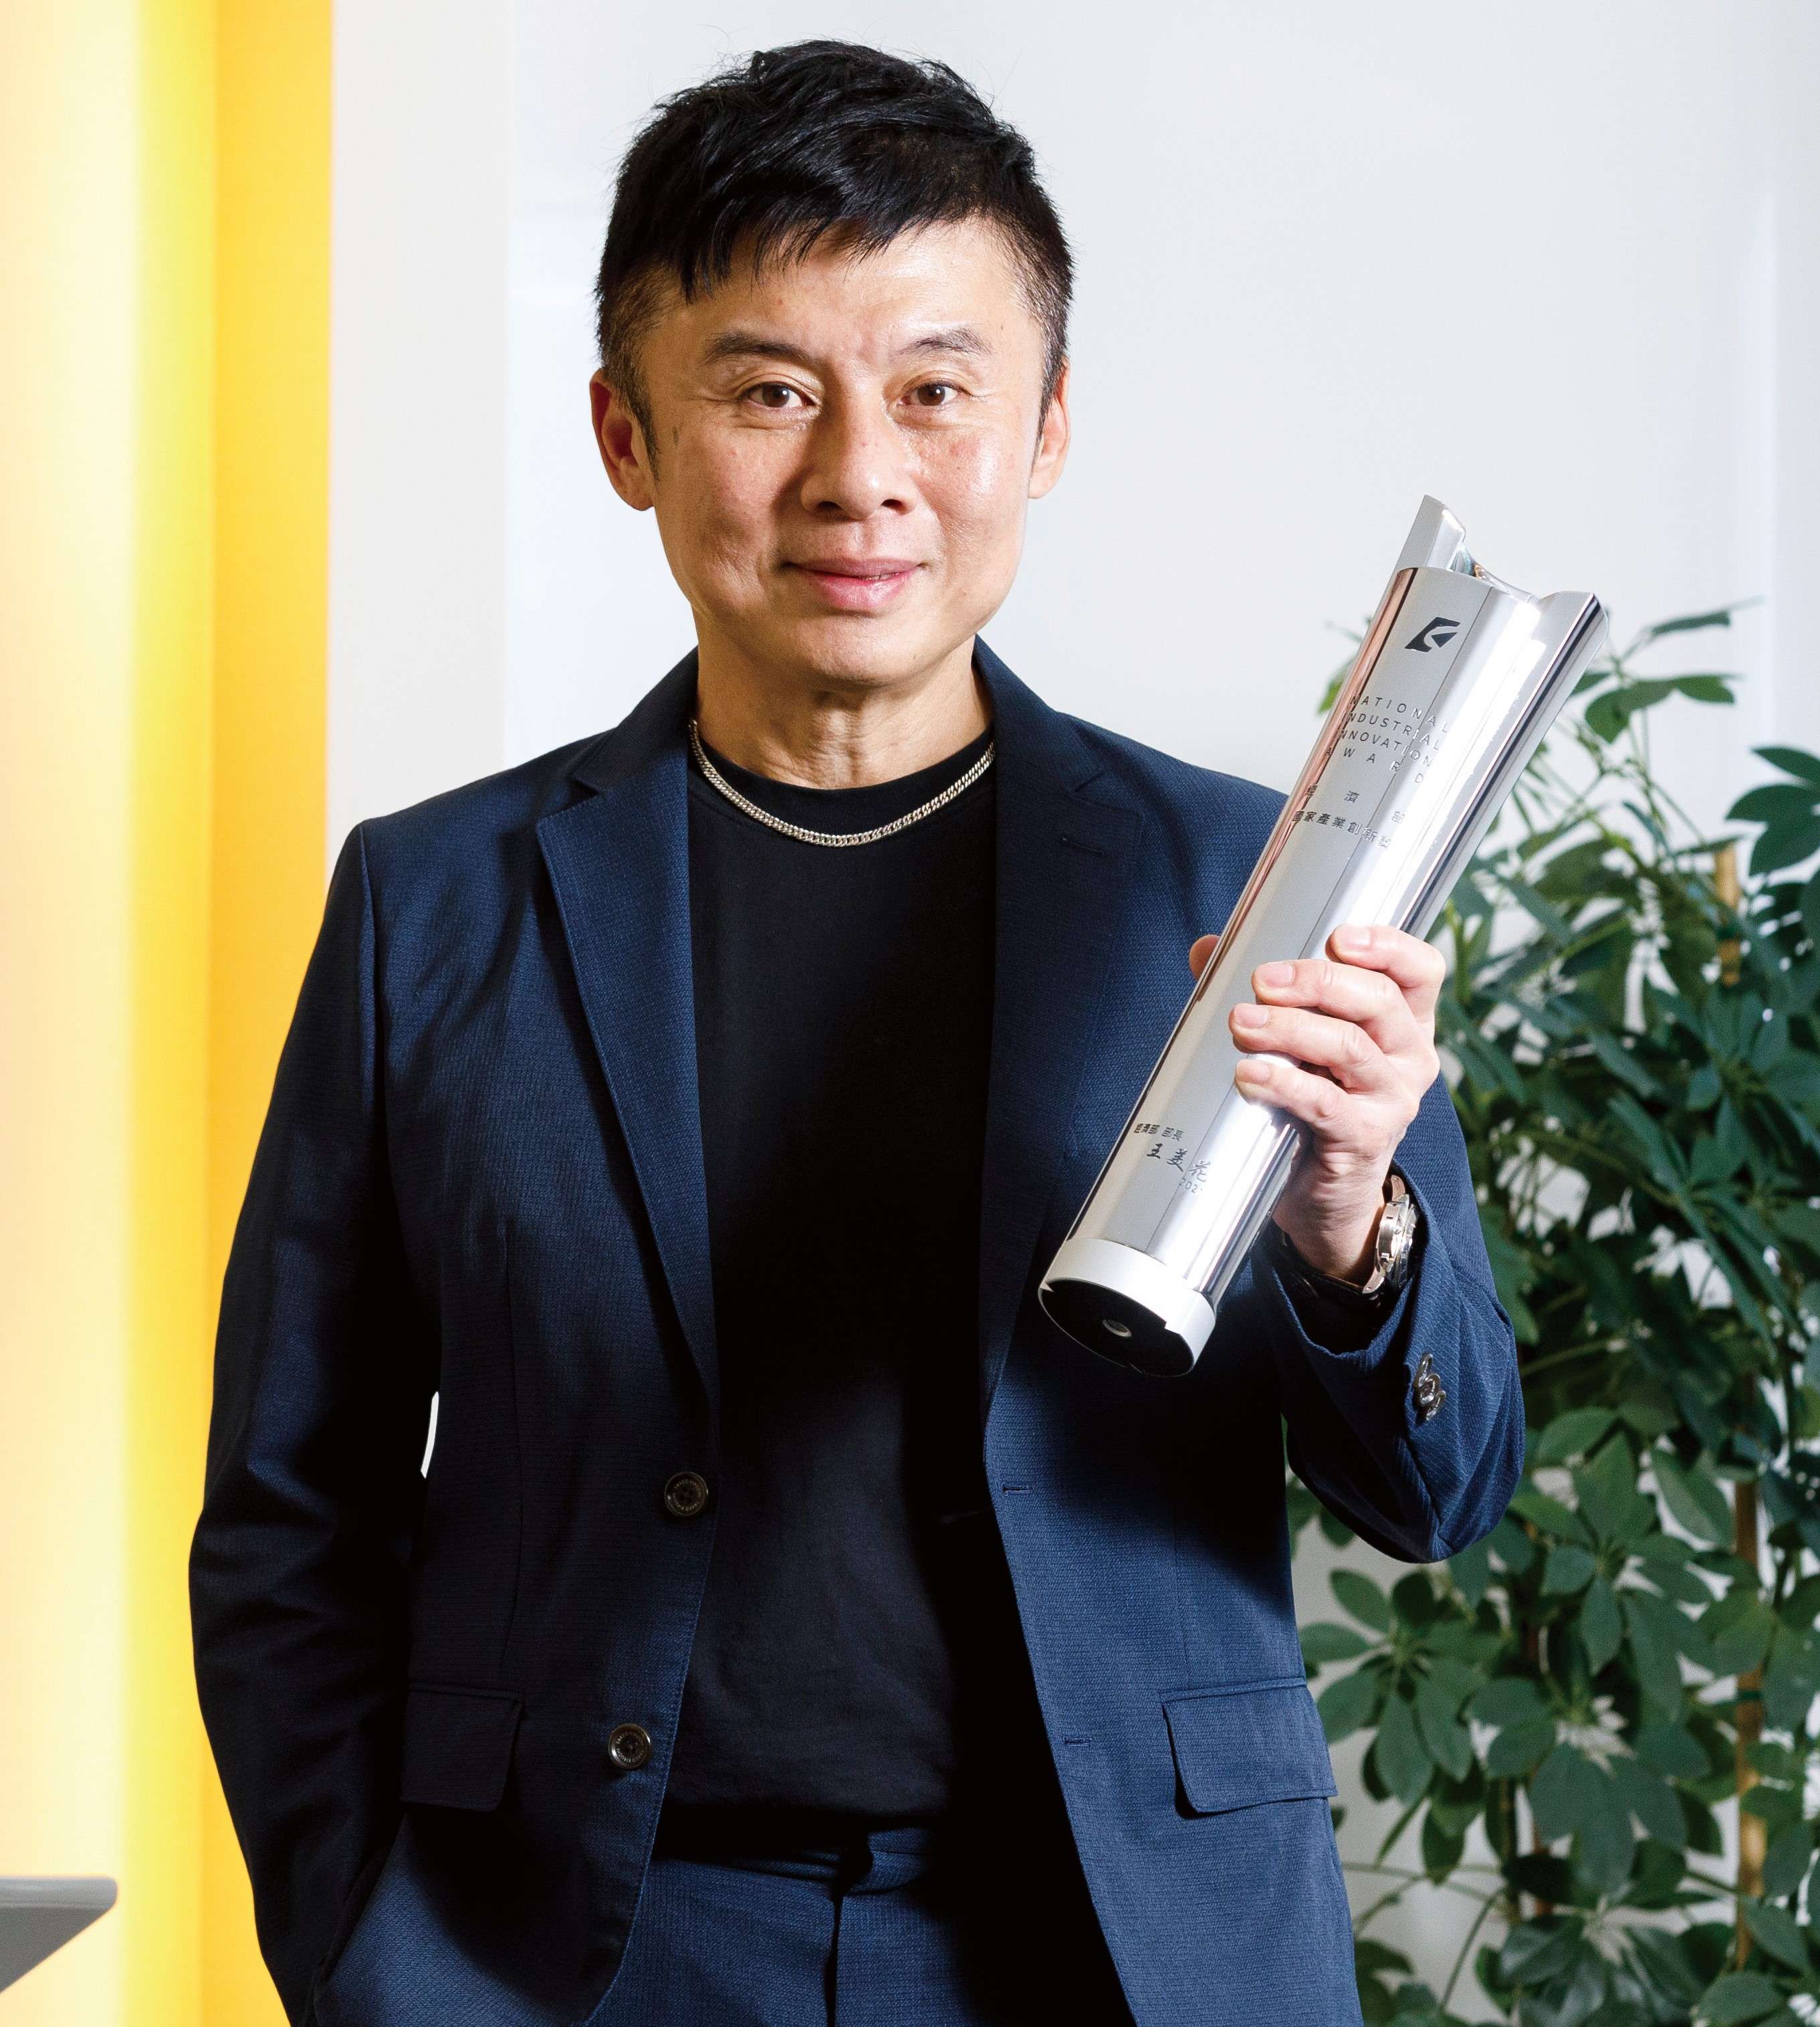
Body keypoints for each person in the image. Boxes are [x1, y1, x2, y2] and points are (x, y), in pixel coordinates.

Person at [189, 39, 1524, 2027]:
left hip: (1118, 1956)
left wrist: (1353, 1231)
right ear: (627, 434)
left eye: (936, 390)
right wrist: (375, 1965)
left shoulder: (1248, 877)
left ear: (1047, 426)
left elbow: (1447, 1490)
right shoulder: (435, 903)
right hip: (581, 1960)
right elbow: (291, 1518)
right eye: (768, 391)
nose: (860, 475)